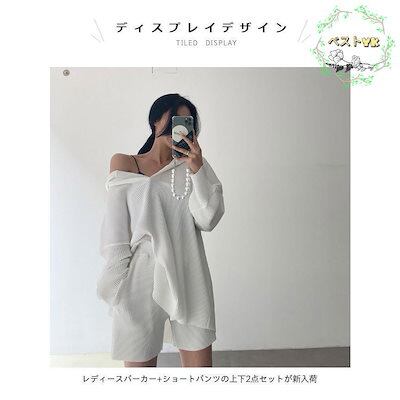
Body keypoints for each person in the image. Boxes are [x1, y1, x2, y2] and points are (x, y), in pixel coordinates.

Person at [96, 93, 225, 367]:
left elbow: (208, 219)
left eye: (187, 122)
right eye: (175, 119)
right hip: (140, 276)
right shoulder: (125, 162)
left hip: (189, 270)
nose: (181, 127)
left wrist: (197, 168)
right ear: (156, 120)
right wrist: (117, 285)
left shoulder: (193, 166)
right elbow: (116, 231)